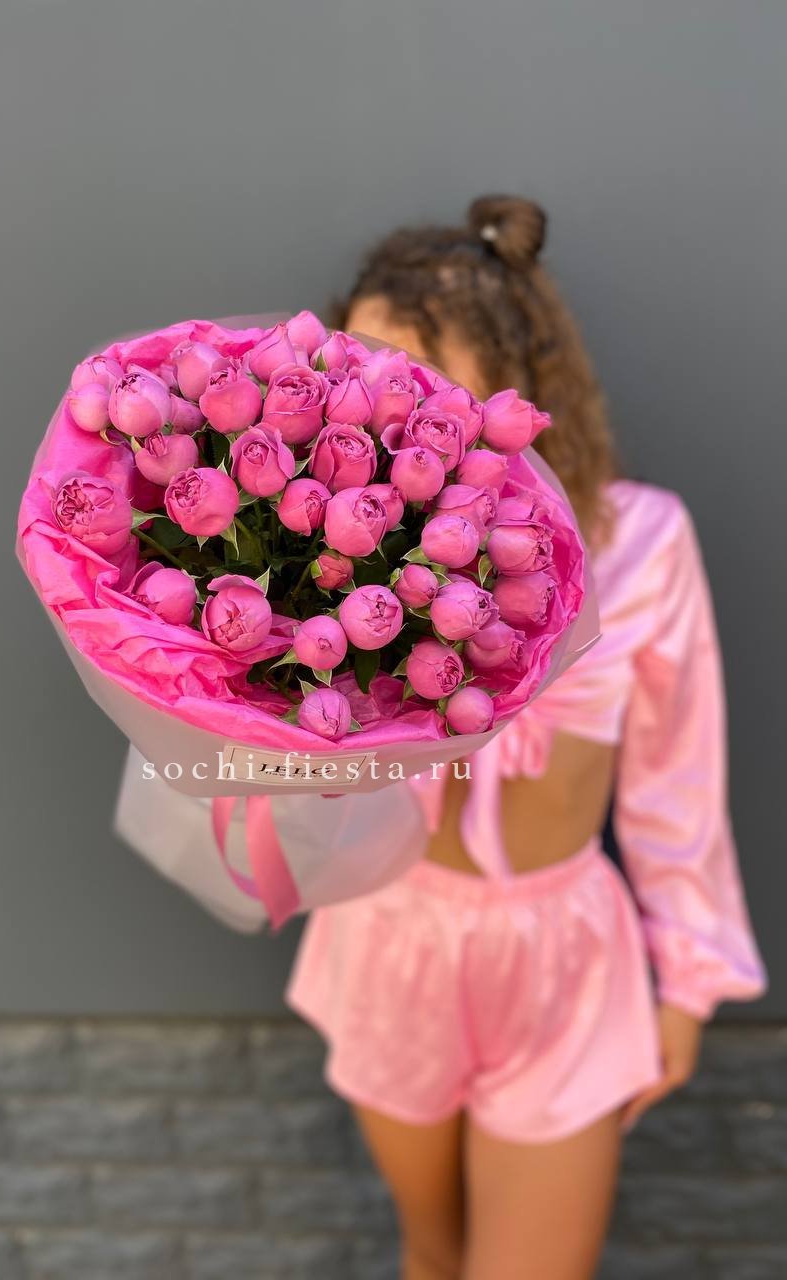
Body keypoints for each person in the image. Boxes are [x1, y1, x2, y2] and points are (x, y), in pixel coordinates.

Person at [285, 195, 767, 1280]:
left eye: (409, 370)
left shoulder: (642, 543)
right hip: (393, 934)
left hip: (563, 962)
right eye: (354, 367)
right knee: (432, 1253)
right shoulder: (336, 553)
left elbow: (677, 780)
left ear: (510, 377)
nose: (374, 398)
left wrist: (688, 979)